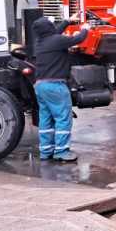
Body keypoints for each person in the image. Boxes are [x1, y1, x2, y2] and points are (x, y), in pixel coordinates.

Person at [31, 17, 90, 162]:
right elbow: (79, 39)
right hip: (55, 86)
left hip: (40, 86)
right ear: (48, 28)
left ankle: (46, 151)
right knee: (63, 118)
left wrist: (68, 21)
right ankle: (62, 151)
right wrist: (86, 28)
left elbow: (55, 33)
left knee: (46, 119)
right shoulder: (57, 41)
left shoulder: (40, 42)